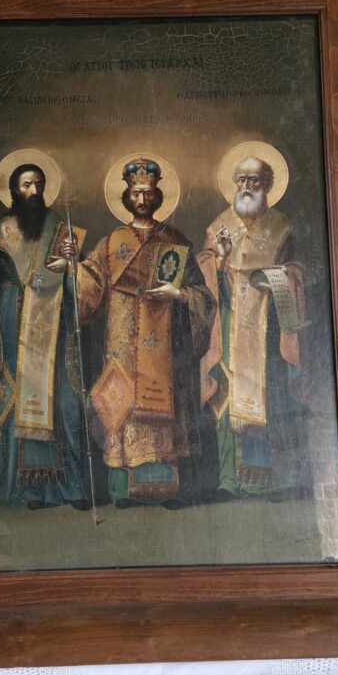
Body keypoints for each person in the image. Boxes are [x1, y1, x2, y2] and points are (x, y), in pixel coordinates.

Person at [59, 159, 216, 507]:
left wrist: (179, 294)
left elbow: (203, 296)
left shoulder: (175, 239)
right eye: (135, 193)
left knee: (166, 407)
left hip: (167, 349)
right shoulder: (111, 242)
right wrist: (73, 267)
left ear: (158, 196)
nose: (142, 199)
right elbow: (90, 287)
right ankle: (125, 490)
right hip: (123, 349)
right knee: (124, 408)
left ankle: (170, 490)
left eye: (147, 192)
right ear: (126, 197)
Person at [0, 163, 89, 509]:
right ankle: (30, 488)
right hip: (15, 321)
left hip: (55, 321)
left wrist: (72, 265)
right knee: (20, 397)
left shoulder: (60, 227)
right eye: (26, 185)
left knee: (64, 402)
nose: (33, 191)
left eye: (38, 184)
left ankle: (69, 487)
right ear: (14, 190)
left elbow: (79, 284)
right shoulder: (4, 228)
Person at [199, 156, 309, 500]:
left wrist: (277, 278)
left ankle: (267, 480)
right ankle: (228, 480)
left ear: (268, 185)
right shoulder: (220, 225)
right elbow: (205, 273)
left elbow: (298, 272)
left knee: (270, 399)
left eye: (254, 180)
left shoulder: (281, 227)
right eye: (241, 180)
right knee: (227, 400)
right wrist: (219, 260)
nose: (247, 187)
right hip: (228, 326)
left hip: (268, 331)